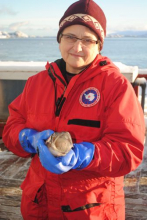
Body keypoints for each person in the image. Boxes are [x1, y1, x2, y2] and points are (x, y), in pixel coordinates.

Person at [2, 0, 145, 219]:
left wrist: (84, 155)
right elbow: (12, 127)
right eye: (70, 37)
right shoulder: (36, 83)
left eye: (87, 40)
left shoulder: (116, 86)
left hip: (92, 209)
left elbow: (129, 151)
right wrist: (27, 138)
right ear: (59, 39)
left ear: (99, 45)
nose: (77, 47)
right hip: (39, 204)